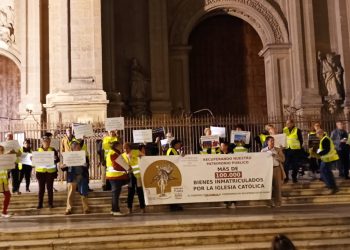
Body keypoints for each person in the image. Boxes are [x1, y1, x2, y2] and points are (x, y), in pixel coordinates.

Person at [61, 141, 90, 215]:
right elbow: (64, 168)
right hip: (72, 177)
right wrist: (62, 167)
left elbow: (87, 166)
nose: (79, 148)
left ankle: (86, 209)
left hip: (82, 176)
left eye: (79, 147)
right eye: (77, 147)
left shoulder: (84, 156)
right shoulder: (68, 156)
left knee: (84, 193)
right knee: (70, 194)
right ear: (73, 148)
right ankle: (68, 209)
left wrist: (86, 165)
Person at [36, 136, 60, 209]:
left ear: (50, 142)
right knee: (41, 189)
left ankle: (50, 203)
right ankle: (40, 204)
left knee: (50, 189)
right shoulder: (38, 150)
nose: (46, 142)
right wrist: (32, 159)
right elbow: (35, 161)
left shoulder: (53, 150)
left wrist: (55, 159)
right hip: (40, 172)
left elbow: (58, 160)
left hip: (50, 172)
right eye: (44, 141)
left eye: (47, 141)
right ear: (42, 142)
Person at [106, 141, 129, 216]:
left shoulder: (113, 152)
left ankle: (113, 209)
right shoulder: (114, 153)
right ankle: (116, 210)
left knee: (114, 194)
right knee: (116, 194)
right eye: (120, 145)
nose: (122, 146)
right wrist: (126, 169)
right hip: (115, 176)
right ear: (117, 146)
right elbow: (116, 166)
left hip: (114, 176)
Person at [261, 137, 286, 207]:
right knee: (268, 187)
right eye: (270, 141)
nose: (272, 142)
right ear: (267, 142)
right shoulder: (263, 151)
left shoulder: (278, 150)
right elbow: (260, 161)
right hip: (267, 170)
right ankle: (268, 203)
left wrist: (276, 156)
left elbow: (283, 159)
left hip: (276, 169)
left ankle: (278, 203)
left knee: (277, 187)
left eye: (273, 141)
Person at [123, 143, 146, 214]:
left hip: (138, 174)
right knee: (130, 192)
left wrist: (140, 156)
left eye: (127, 148)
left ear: (130, 148)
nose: (125, 150)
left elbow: (144, 157)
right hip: (130, 175)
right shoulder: (123, 155)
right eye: (124, 149)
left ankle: (142, 208)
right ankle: (129, 208)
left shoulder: (136, 152)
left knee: (140, 191)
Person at [316, 129, 339, 194]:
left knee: (325, 172)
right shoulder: (324, 139)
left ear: (320, 133)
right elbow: (323, 149)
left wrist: (319, 153)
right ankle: (331, 186)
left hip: (328, 159)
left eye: (317, 133)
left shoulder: (325, 139)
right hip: (326, 159)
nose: (316, 135)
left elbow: (326, 150)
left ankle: (332, 187)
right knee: (326, 172)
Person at [167, 139, 184, 211]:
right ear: (175, 144)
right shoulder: (171, 150)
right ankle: (173, 206)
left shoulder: (174, 150)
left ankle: (175, 205)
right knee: (172, 189)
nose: (180, 145)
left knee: (175, 189)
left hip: (174, 171)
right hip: (172, 172)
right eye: (179, 144)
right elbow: (172, 160)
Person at [0, 145, 12, 218]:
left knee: (8, 195)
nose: (0, 151)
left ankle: (4, 211)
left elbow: (9, 169)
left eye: (1, 150)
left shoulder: (5, 159)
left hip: (4, 180)